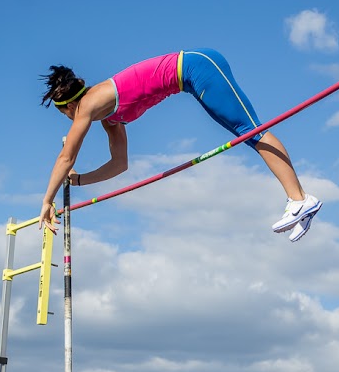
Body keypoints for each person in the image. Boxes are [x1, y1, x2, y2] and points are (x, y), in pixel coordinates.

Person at [39, 48, 322, 241]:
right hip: (191, 77)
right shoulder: (109, 118)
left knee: (251, 131)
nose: (68, 120)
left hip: (196, 67)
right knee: (249, 134)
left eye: (64, 114)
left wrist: (47, 201)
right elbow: (120, 164)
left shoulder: (89, 103)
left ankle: (299, 200)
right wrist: (77, 182)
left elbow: (66, 156)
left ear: (70, 104)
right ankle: (301, 203)